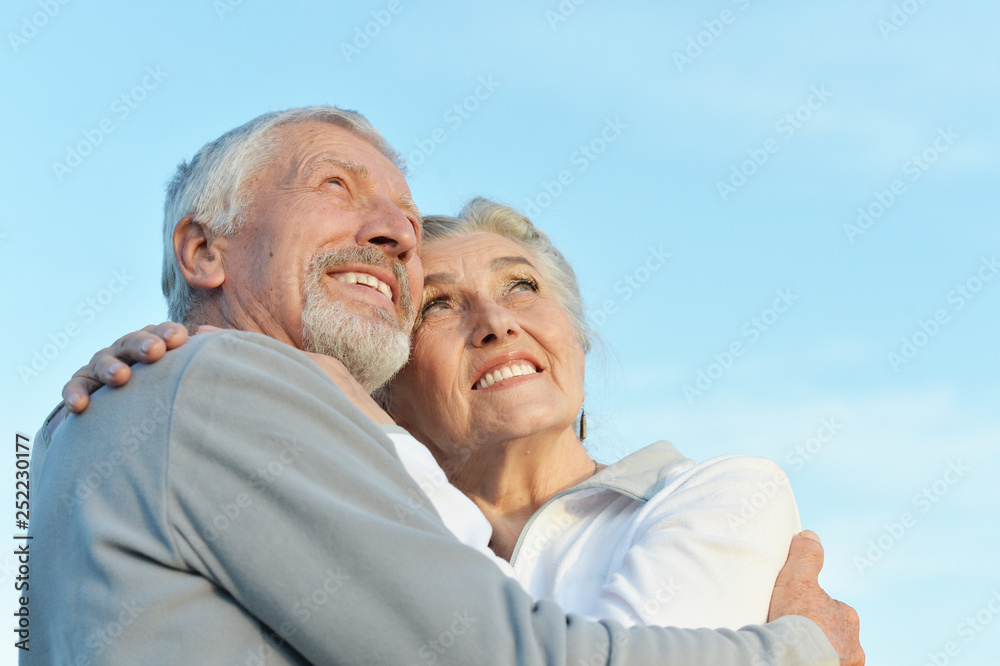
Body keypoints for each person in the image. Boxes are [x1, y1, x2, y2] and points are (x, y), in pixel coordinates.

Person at [36, 105, 862, 665]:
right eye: (335, 185)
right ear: (204, 251)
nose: (394, 229)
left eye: (524, 288)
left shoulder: (169, 394)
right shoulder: (219, 382)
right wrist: (801, 648)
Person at [83, 199, 803, 632]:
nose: (495, 324)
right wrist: (152, 375)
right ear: (381, 383)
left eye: (521, 288)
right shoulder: (349, 543)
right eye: (439, 305)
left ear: (575, 339)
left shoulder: (722, 495)